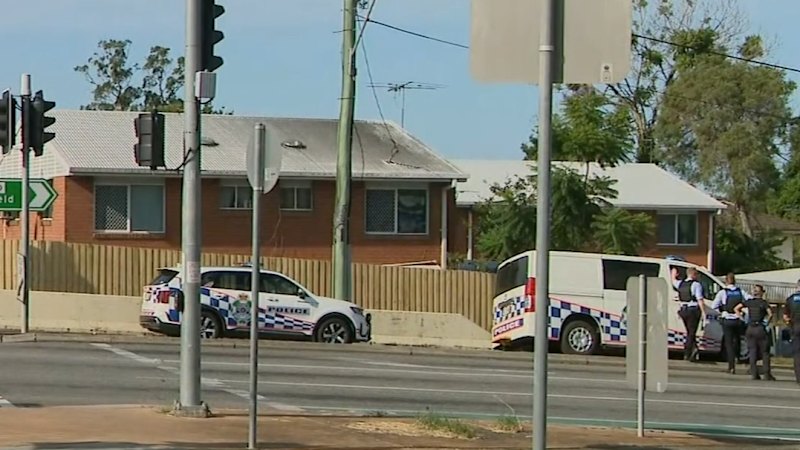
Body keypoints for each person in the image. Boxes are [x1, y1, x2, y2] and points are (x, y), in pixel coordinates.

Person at [711, 273, 750, 374]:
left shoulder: (723, 292)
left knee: (728, 343)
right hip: (738, 319)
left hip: (727, 319)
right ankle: (737, 357)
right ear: (734, 281)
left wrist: (721, 310)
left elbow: (714, 305)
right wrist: (742, 308)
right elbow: (750, 300)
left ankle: (731, 366)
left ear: (726, 281)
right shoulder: (740, 291)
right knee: (737, 340)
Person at [735, 284, 775, 381]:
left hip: (750, 328)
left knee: (752, 351)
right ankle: (767, 374)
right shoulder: (764, 303)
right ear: (761, 292)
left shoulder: (749, 302)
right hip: (760, 328)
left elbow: (736, 308)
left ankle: (754, 373)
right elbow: (770, 314)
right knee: (765, 352)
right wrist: (766, 323)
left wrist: (742, 318)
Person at [672, 267, 707, 362]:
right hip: (693, 310)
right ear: (693, 274)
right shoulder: (696, 285)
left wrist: (673, 273)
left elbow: (673, 280)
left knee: (689, 331)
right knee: (691, 333)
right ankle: (687, 353)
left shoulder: (680, 283)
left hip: (683, 310)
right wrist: (704, 313)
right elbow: (700, 300)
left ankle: (694, 350)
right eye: (696, 274)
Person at [783, 280, 800, 385]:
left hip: (796, 327)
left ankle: (799, 377)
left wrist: (790, 325)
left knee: (797, 353)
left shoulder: (790, 299)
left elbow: (785, 316)